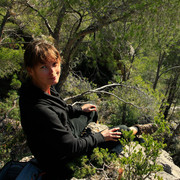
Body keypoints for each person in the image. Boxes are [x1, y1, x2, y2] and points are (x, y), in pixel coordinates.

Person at [19, 40, 157, 179]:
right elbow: (70, 147)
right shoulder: (38, 107)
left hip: (63, 135)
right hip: (62, 160)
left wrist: (78, 109)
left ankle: (90, 140)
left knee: (91, 110)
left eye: (54, 64)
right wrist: (101, 136)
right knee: (119, 131)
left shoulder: (40, 86)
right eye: (43, 67)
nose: (53, 72)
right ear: (31, 70)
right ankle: (137, 130)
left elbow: (59, 109)